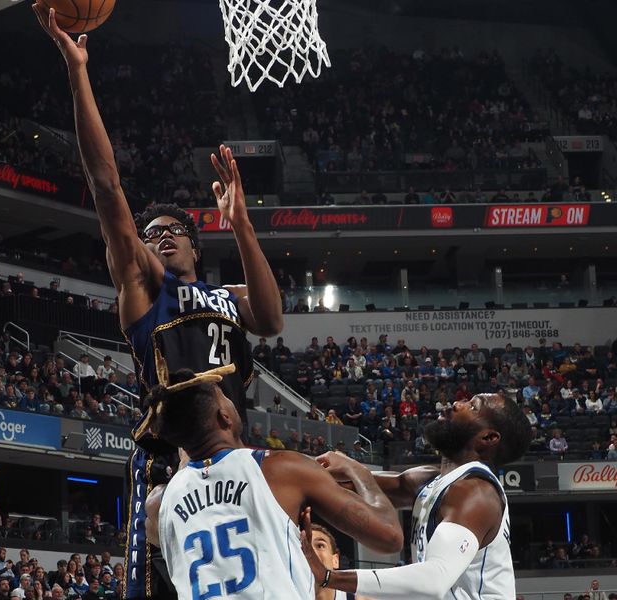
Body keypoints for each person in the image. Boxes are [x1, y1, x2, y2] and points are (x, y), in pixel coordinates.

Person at [34, 7, 282, 599]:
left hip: (236, 453)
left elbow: (271, 320)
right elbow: (105, 183)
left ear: (195, 243)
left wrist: (242, 223)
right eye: (152, 234)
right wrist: (78, 71)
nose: (162, 235)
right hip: (170, 456)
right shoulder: (146, 287)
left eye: (174, 229)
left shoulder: (228, 296)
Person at [142, 364, 402, 598]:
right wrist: (358, 470)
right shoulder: (280, 468)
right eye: (225, 398)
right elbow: (389, 537)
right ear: (225, 417)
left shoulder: (158, 503)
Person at [300, 393, 532, 599]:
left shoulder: (475, 492)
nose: (456, 404)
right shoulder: (431, 481)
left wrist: (330, 577)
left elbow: (434, 580)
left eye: (473, 406)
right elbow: (360, 483)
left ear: (488, 437)